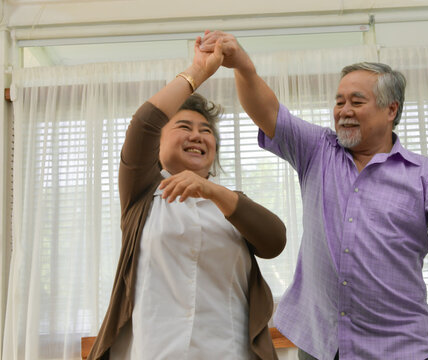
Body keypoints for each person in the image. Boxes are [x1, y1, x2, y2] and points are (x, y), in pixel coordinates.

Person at [199, 31, 428, 360]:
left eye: (357, 101)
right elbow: (267, 113)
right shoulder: (318, 150)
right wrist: (243, 67)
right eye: (339, 101)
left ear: (391, 110)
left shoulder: (423, 174)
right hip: (322, 345)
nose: (344, 110)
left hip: (399, 348)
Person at [88, 35, 286, 360]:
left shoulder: (230, 205)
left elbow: (275, 241)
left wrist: (212, 190)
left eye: (206, 131)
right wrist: (198, 70)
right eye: (183, 126)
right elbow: (144, 124)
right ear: (158, 144)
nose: (197, 135)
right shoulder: (142, 191)